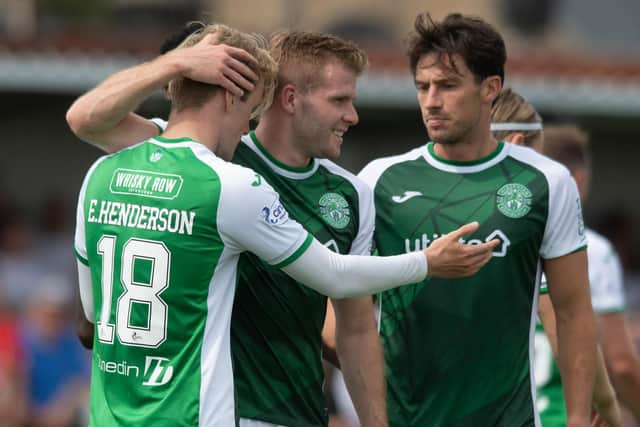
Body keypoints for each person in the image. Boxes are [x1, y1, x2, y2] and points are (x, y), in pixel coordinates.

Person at [71, 23, 497, 426]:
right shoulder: (224, 170)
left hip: (286, 410)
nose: (353, 116)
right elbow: (332, 273)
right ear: (286, 99)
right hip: (214, 409)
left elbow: (356, 326)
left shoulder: (350, 194)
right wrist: (427, 261)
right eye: (339, 100)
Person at [357, 13, 597, 426]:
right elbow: (343, 305)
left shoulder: (546, 181)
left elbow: (573, 310)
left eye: (448, 86)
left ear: (490, 89)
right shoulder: (379, 179)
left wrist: (576, 419)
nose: (431, 101)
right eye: (422, 87)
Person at [490, 88, 622, 427]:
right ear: (519, 145)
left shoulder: (430, 219)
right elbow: (568, 330)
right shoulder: (529, 231)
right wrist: (607, 409)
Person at [541, 125, 640, 425]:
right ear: (578, 180)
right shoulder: (592, 250)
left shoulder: (501, 246)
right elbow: (621, 363)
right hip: (562, 416)